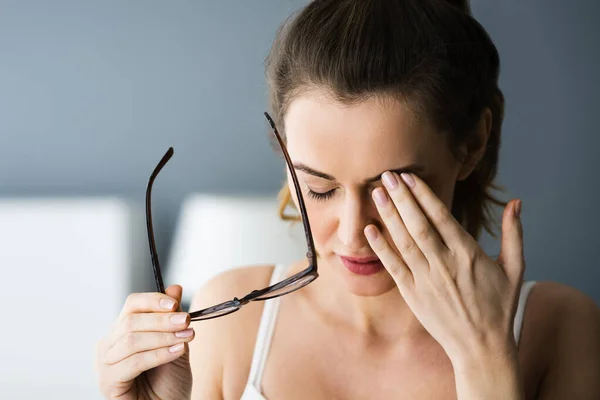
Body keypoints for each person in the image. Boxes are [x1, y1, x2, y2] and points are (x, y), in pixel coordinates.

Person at [95, 0, 600, 398]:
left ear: (470, 145)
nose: (355, 231)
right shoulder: (234, 323)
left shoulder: (559, 331)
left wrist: (486, 361)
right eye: (319, 187)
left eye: (391, 188)